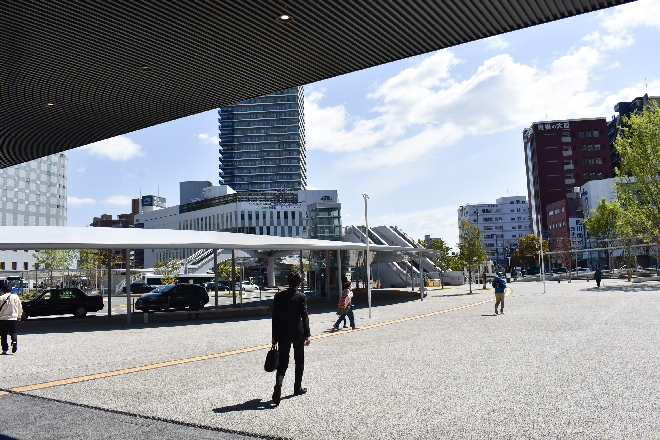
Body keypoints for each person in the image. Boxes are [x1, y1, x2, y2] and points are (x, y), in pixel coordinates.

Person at [271, 272, 310, 406]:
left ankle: (278, 385)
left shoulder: (278, 296)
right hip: (297, 333)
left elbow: (275, 317)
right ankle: (297, 388)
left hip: (283, 333)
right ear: (298, 283)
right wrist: (308, 335)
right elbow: (304, 316)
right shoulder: (301, 297)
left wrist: (274, 336)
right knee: (299, 361)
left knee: (283, 362)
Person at [0, 283, 22, 355]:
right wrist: (19, 315)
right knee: (13, 331)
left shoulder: (1, 298)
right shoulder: (15, 297)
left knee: (3, 334)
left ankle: (5, 349)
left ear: (3, 290)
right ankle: (14, 341)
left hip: (2, 318)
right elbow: (19, 307)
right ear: (11, 290)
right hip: (13, 318)